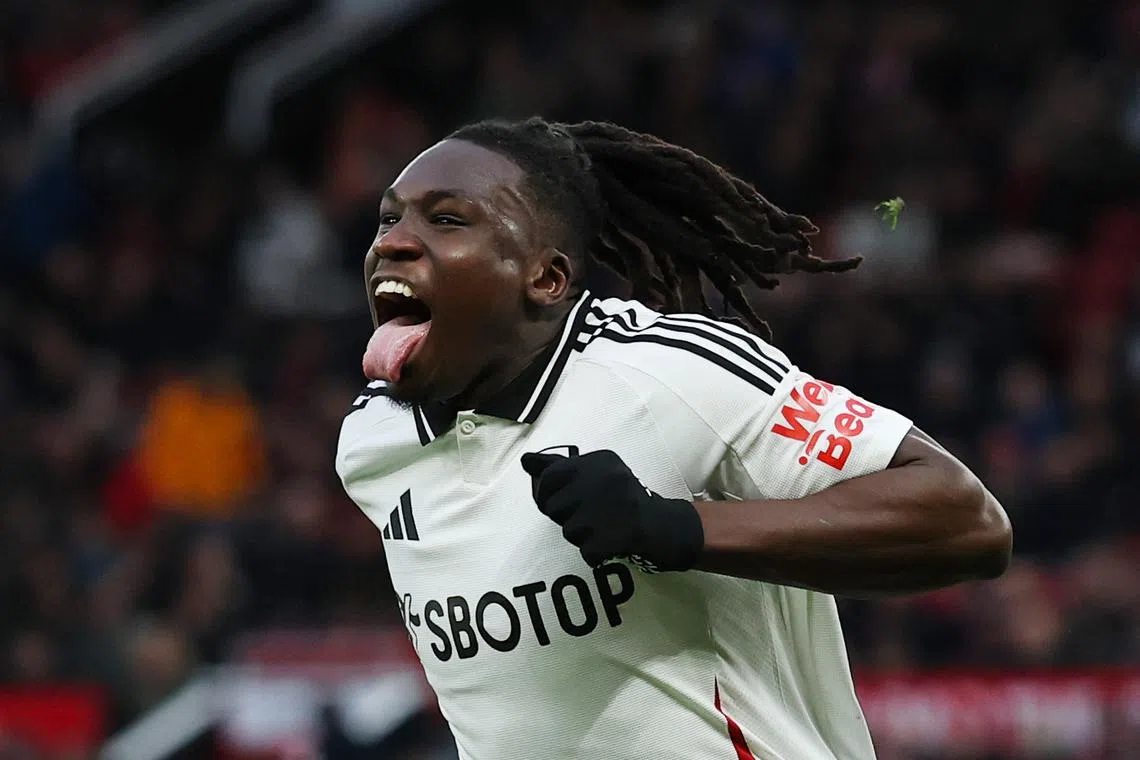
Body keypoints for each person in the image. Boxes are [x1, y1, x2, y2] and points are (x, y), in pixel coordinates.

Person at [335, 117, 1012, 760]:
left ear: (546, 278)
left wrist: (674, 528)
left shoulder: (667, 374)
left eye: (447, 220)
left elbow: (967, 520)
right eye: (389, 217)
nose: (392, 241)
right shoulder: (372, 442)